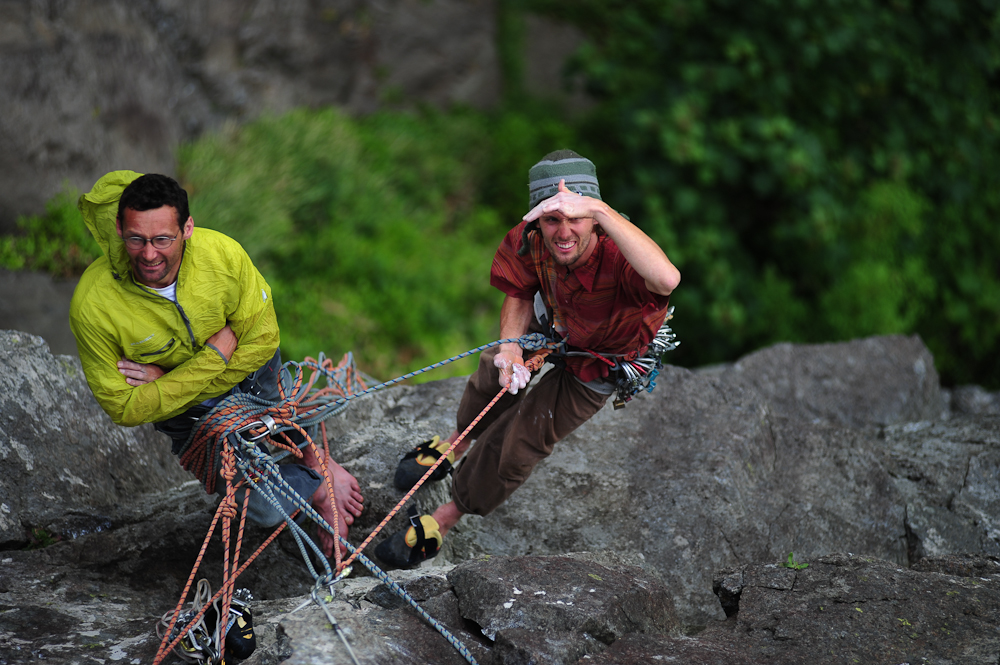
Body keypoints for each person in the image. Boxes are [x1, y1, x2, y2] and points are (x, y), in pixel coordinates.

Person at [375, 150, 680, 567]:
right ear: (538, 219)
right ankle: (457, 443)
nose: (564, 231)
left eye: (576, 217)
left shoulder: (620, 253)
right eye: (552, 219)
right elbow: (519, 290)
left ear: (595, 215)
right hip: (553, 320)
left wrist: (596, 207)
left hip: (603, 358)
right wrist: (510, 350)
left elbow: (666, 279)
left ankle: (445, 519)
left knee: (521, 441)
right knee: (492, 376)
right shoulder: (532, 238)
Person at [68, 171, 363, 557]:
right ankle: (318, 486)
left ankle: (315, 459)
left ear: (187, 228)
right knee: (263, 509)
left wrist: (169, 381)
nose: (149, 254)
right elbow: (122, 407)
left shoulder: (222, 255)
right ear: (120, 228)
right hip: (192, 413)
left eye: (162, 239)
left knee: (285, 406)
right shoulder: (94, 305)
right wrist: (212, 357)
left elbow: (262, 341)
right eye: (135, 239)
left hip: (243, 377)